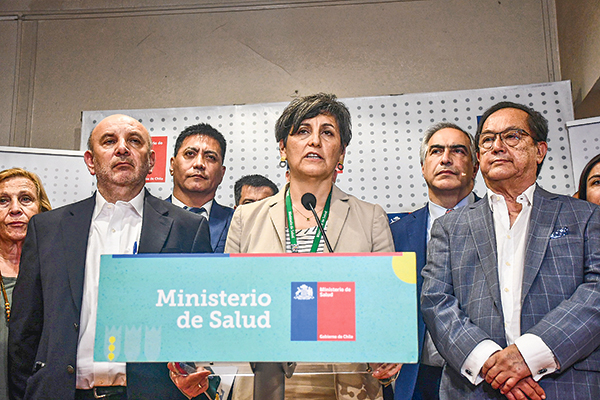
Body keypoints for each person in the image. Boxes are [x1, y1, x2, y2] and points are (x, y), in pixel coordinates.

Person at [8, 114, 212, 400]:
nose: (122, 148)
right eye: (109, 141)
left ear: (151, 160)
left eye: (134, 141)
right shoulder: (47, 229)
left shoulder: (188, 229)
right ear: (90, 161)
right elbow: (25, 332)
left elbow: (200, 322)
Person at [223, 93, 401, 400]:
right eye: (302, 131)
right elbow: (231, 303)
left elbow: (386, 306)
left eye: (327, 133)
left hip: (348, 382)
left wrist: (388, 347)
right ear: (283, 147)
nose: (314, 141)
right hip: (264, 380)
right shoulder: (246, 217)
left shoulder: (371, 217)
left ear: (341, 152)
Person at [421, 101, 600, 400]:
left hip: (564, 384)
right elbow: (435, 301)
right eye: (488, 139)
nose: (497, 146)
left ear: (539, 150)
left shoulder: (584, 217)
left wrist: (530, 355)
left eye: (512, 136)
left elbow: (596, 291)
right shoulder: (450, 227)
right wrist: (492, 363)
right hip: (476, 387)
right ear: (479, 156)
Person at [390, 122, 479, 400]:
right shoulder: (396, 232)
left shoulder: (500, 223)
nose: (446, 159)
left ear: (475, 167)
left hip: (484, 376)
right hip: (416, 378)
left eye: (458, 151)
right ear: (423, 167)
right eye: (436, 151)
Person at [0, 168, 51, 400]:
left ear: (41, 208)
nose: (15, 209)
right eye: (3, 201)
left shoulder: (59, 272)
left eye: (26, 199)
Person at [168, 123, 234, 253]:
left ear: (222, 173)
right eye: (190, 154)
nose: (199, 164)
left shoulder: (237, 222)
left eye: (210, 157)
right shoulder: (147, 217)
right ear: (172, 165)